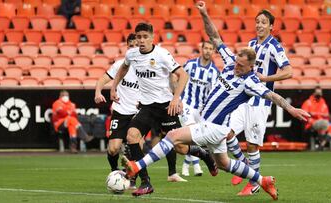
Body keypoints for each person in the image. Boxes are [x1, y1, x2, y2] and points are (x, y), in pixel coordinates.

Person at [122, 43, 310, 202]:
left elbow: (272, 95)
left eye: (242, 66)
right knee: (224, 164)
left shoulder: (251, 82)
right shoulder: (230, 64)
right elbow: (216, 38)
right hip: (216, 128)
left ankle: (136, 166)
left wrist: (291, 109)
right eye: (237, 62)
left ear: (250, 67)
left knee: (172, 136)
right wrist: (204, 13)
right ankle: (263, 180)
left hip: (213, 127)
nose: (237, 66)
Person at [196, 1, 294, 195]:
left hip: (260, 101)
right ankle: (243, 166)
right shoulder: (250, 45)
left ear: (271, 26)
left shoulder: (274, 46)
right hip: (244, 98)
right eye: (257, 21)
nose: (259, 25)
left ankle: (255, 183)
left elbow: (288, 71)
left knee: (251, 143)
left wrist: (266, 78)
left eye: (263, 22)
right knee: (227, 131)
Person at [111, 23, 217, 196]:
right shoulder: (132, 54)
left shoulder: (162, 54)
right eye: (139, 37)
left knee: (180, 148)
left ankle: (203, 154)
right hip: (146, 107)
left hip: (165, 107)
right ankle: (145, 182)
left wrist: (176, 98)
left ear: (153, 37)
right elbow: (123, 68)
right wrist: (114, 87)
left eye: (145, 37)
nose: (142, 40)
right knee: (132, 136)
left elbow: (183, 75)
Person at [95, 34, 139, 185]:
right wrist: (98, 92)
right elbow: (103, 79)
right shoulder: (119, 65)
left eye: (136, 46)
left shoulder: (146, 68)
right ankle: (115, 172)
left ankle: (133, 179)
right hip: (120, 111)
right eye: (131, 46)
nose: (134, 49)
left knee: (135, 148)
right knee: (113, 149)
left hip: (138, 114)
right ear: (127, 48)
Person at [180, 41, 220, 177]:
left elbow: (213, 93)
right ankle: (196, 166)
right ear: (201, 49)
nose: (208, 51)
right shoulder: (190, 65)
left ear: (214, 52)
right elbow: (180, 78)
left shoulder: (214, 72)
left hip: (201, 109)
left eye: (211, 49)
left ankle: (186, 164)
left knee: (197, 138)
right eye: (206, 48)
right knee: (191, 134)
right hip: (187, 104)